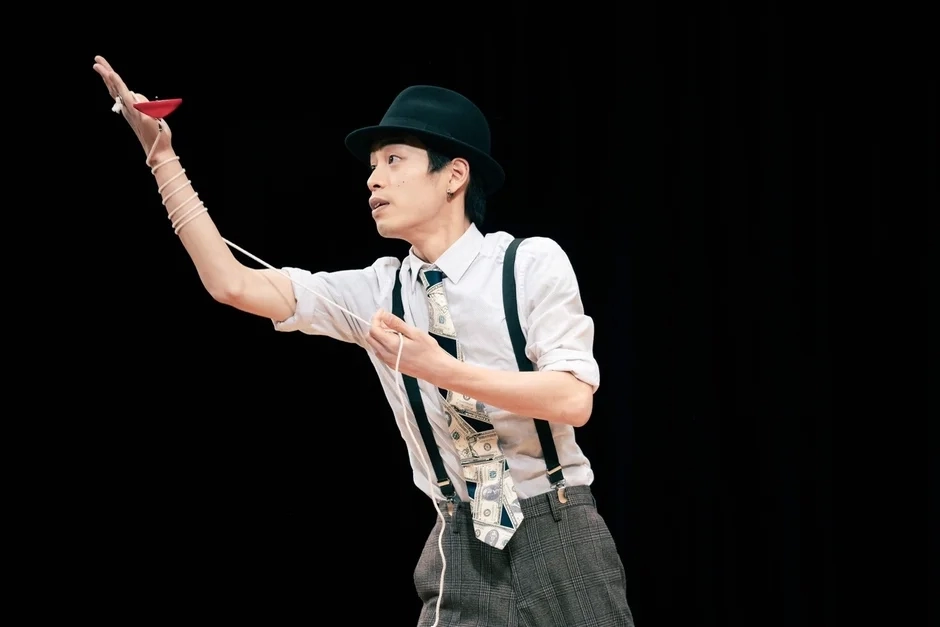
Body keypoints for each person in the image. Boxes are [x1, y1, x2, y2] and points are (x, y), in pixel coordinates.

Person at [93, 54, 636, 626]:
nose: (373, 179)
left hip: (559, 528)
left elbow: (572, 399)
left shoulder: (529, 263)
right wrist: (163, 158)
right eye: (373, 166)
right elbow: (233, 284)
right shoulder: (378, 291)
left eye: (394, 160)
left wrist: (440, 368)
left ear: (454, 175)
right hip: (459, 539)